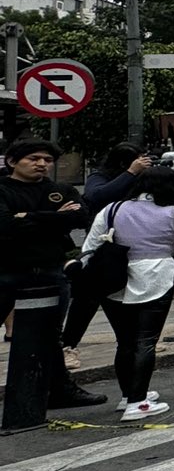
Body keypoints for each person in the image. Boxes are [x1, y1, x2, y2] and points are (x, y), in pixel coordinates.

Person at [79, 166, 174, 420]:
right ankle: (138, 402)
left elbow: (89, 248)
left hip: (112, 280)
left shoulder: (112, 209)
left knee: (125, 341)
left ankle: (128, 395)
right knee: (146, 341)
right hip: (156, 277)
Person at [1, 137, 86, 432]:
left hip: (50, 270)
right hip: (7, 269)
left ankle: (60, 389)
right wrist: (54, 220)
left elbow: (80, 217)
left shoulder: (59, 190)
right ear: (13, 161)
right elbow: (5, 226)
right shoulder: (3, 189)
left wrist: (30, 218)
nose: (41, 164)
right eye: (34, 158)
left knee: (50, 334)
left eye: (47, 160)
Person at [55, 144, 154, 385]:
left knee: (125, 300)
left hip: (134, 246)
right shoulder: (101, 177)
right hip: (104, 247)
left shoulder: (142, 180)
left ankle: (135, 343)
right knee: (87, 299)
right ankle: (69, 345)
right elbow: (95, 197)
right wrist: (130, 173)